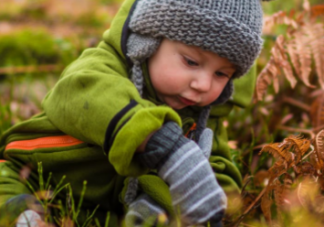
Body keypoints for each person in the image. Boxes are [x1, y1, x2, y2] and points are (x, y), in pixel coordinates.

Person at [0, 0, 271, 226]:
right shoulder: (104, 66)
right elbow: (79, 93)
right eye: (191, 61)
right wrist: (162, 144)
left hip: (102, 212)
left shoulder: (202, 115)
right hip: (31, 173)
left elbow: (219, 173)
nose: (202, 84)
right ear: (148, 41)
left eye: (221, 73)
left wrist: (187, 202)